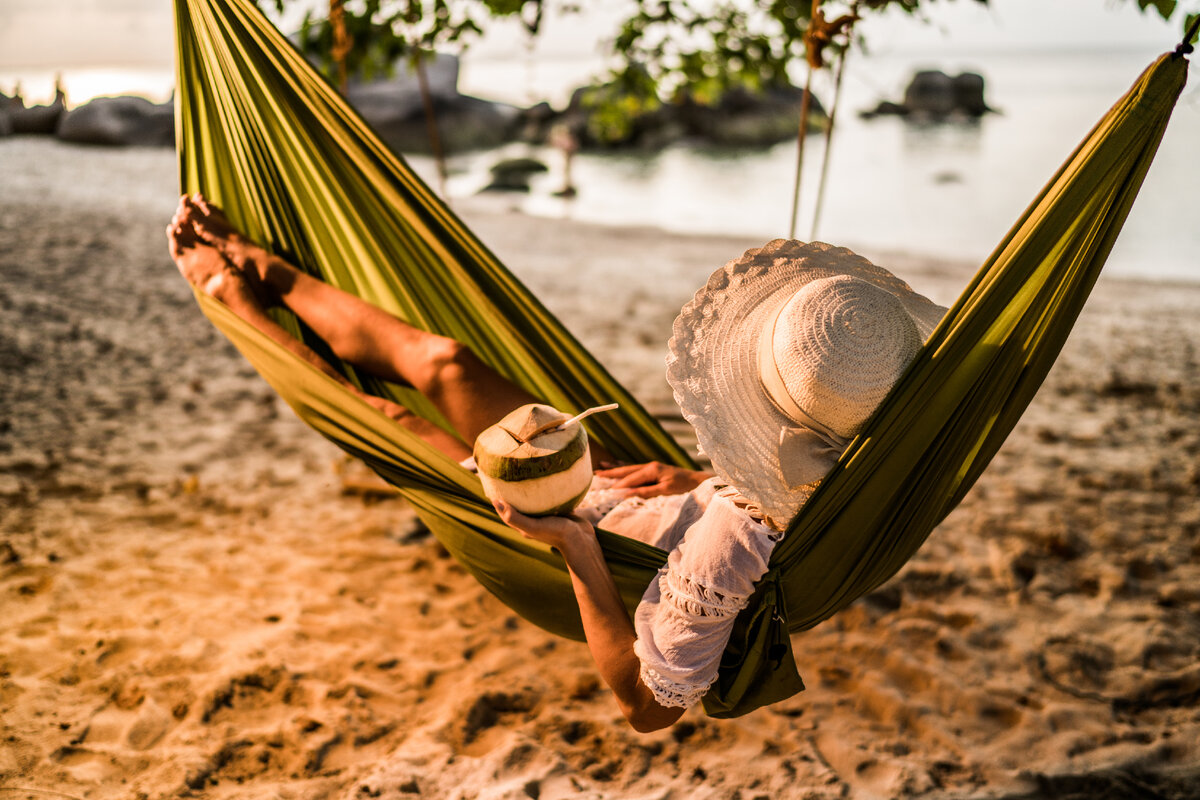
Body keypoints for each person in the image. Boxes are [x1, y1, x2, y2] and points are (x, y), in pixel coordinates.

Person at [167, 194, 946, 732]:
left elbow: (647, 710)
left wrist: (574, 544)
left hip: (581, 523)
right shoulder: (877, 442)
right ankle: (259, 263)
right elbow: (779, 503)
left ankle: (230, 296)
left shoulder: (728, 550)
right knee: (445, 362)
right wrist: (700, 482)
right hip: (636, 490)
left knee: (393, 418)